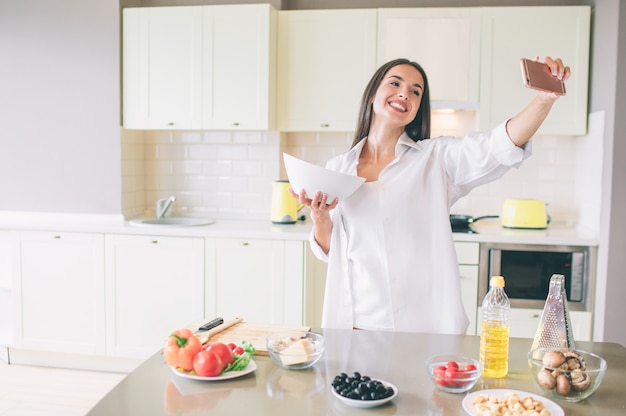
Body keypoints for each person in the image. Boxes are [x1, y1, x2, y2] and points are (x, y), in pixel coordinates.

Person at [291, 57, 571, 334]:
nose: (405, 94)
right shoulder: (337, 169)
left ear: (417, 109)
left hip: (421, 330)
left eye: (416, 91)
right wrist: (320, 216)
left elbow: (498, 146)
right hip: (354, 325)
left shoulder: (435, 159)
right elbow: (331, 251)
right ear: (373, 93)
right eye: (395, 83)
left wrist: (544, 100)